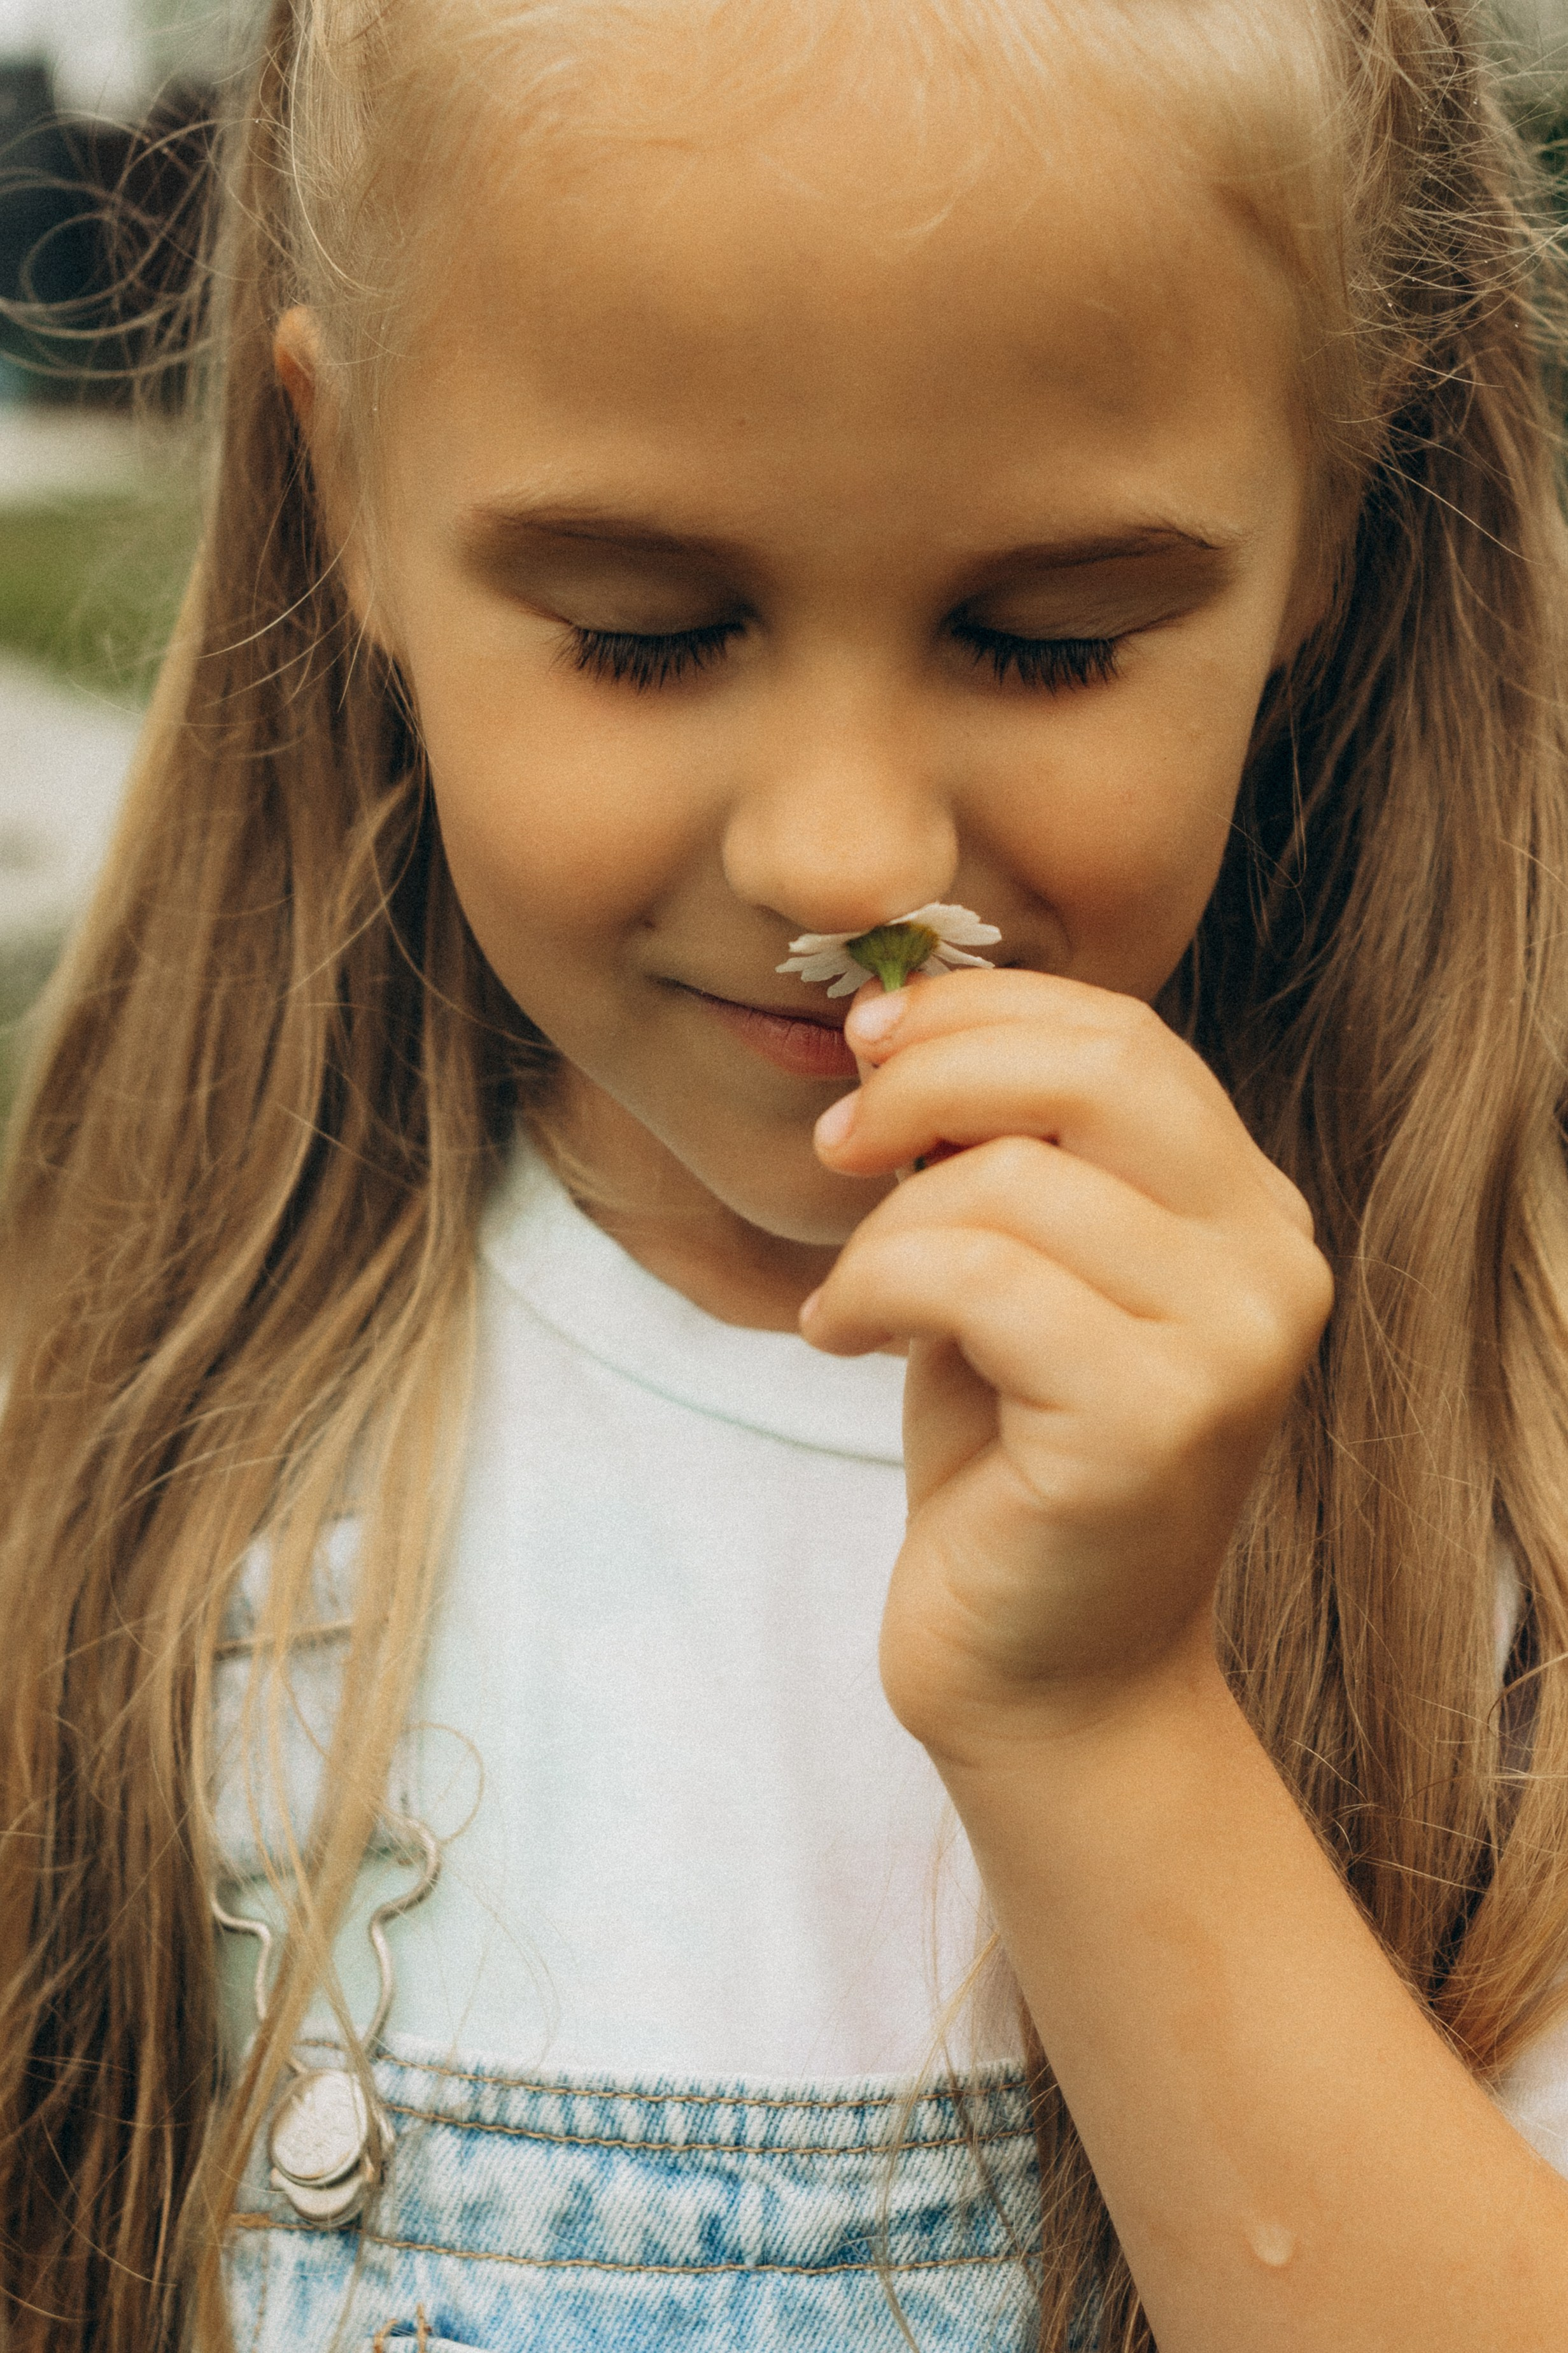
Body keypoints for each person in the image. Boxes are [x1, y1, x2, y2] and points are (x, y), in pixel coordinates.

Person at [4, 0, 1568, 2345]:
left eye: (1047, 642)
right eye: (648, 637)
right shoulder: (118, 1486)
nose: (844, 856)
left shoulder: (1506, 1513)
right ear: (348, 493)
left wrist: (1108, 1725)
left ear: (1328, 530)